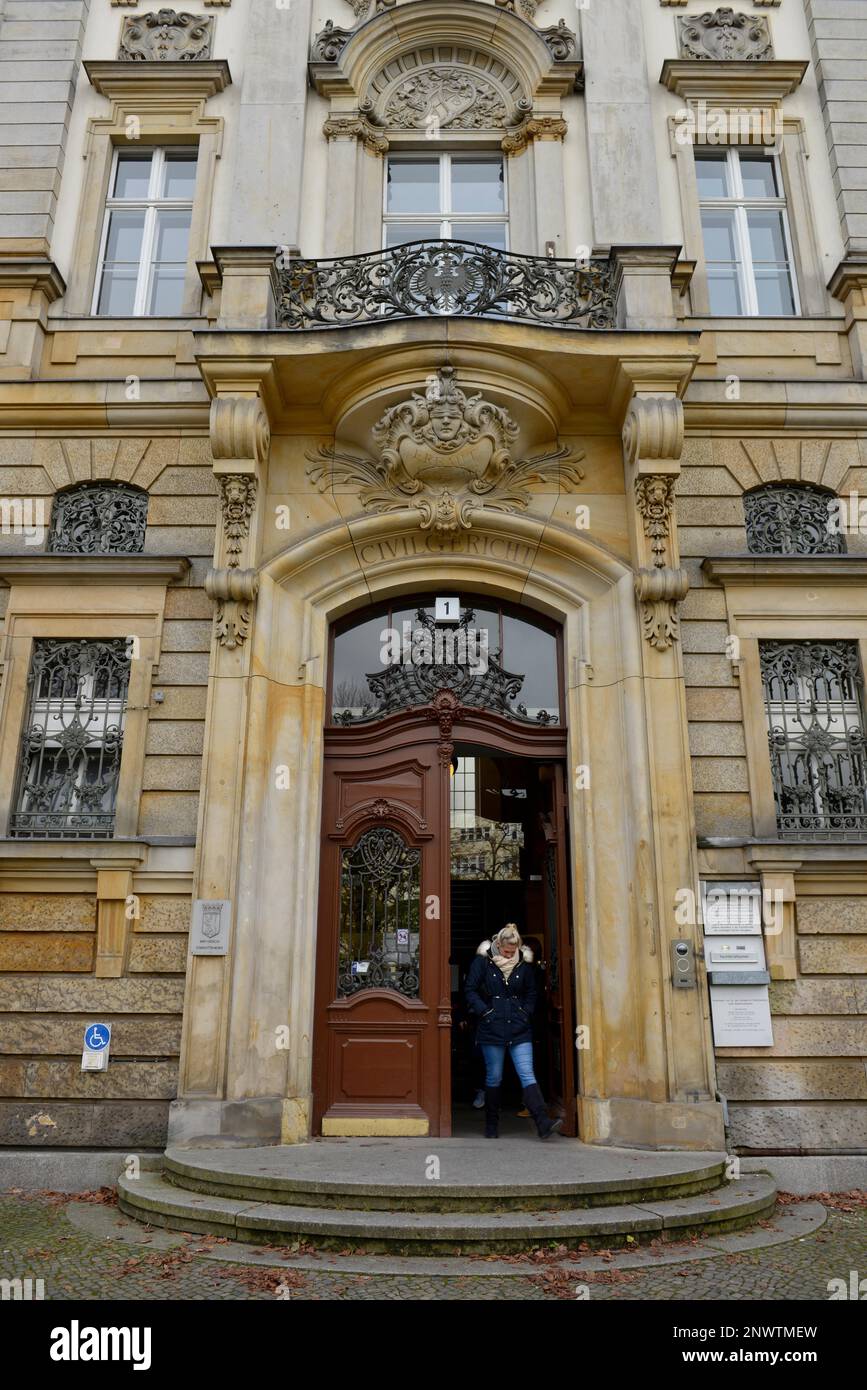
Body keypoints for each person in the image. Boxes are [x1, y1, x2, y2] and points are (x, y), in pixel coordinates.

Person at [464, 923, 563, 1140]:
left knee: (527, 1073)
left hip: (519, 1027)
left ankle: (543, 1123)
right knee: (494, 1076)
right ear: (498, 944)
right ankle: (491, 1125)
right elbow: (470, 990)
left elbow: (531, 992)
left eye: (514, 951)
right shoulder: (482, 962)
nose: (510, 955)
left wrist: (525, 1012)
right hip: (492, 1027)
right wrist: (485, 1012)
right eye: (507, 951)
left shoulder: (524, 964)